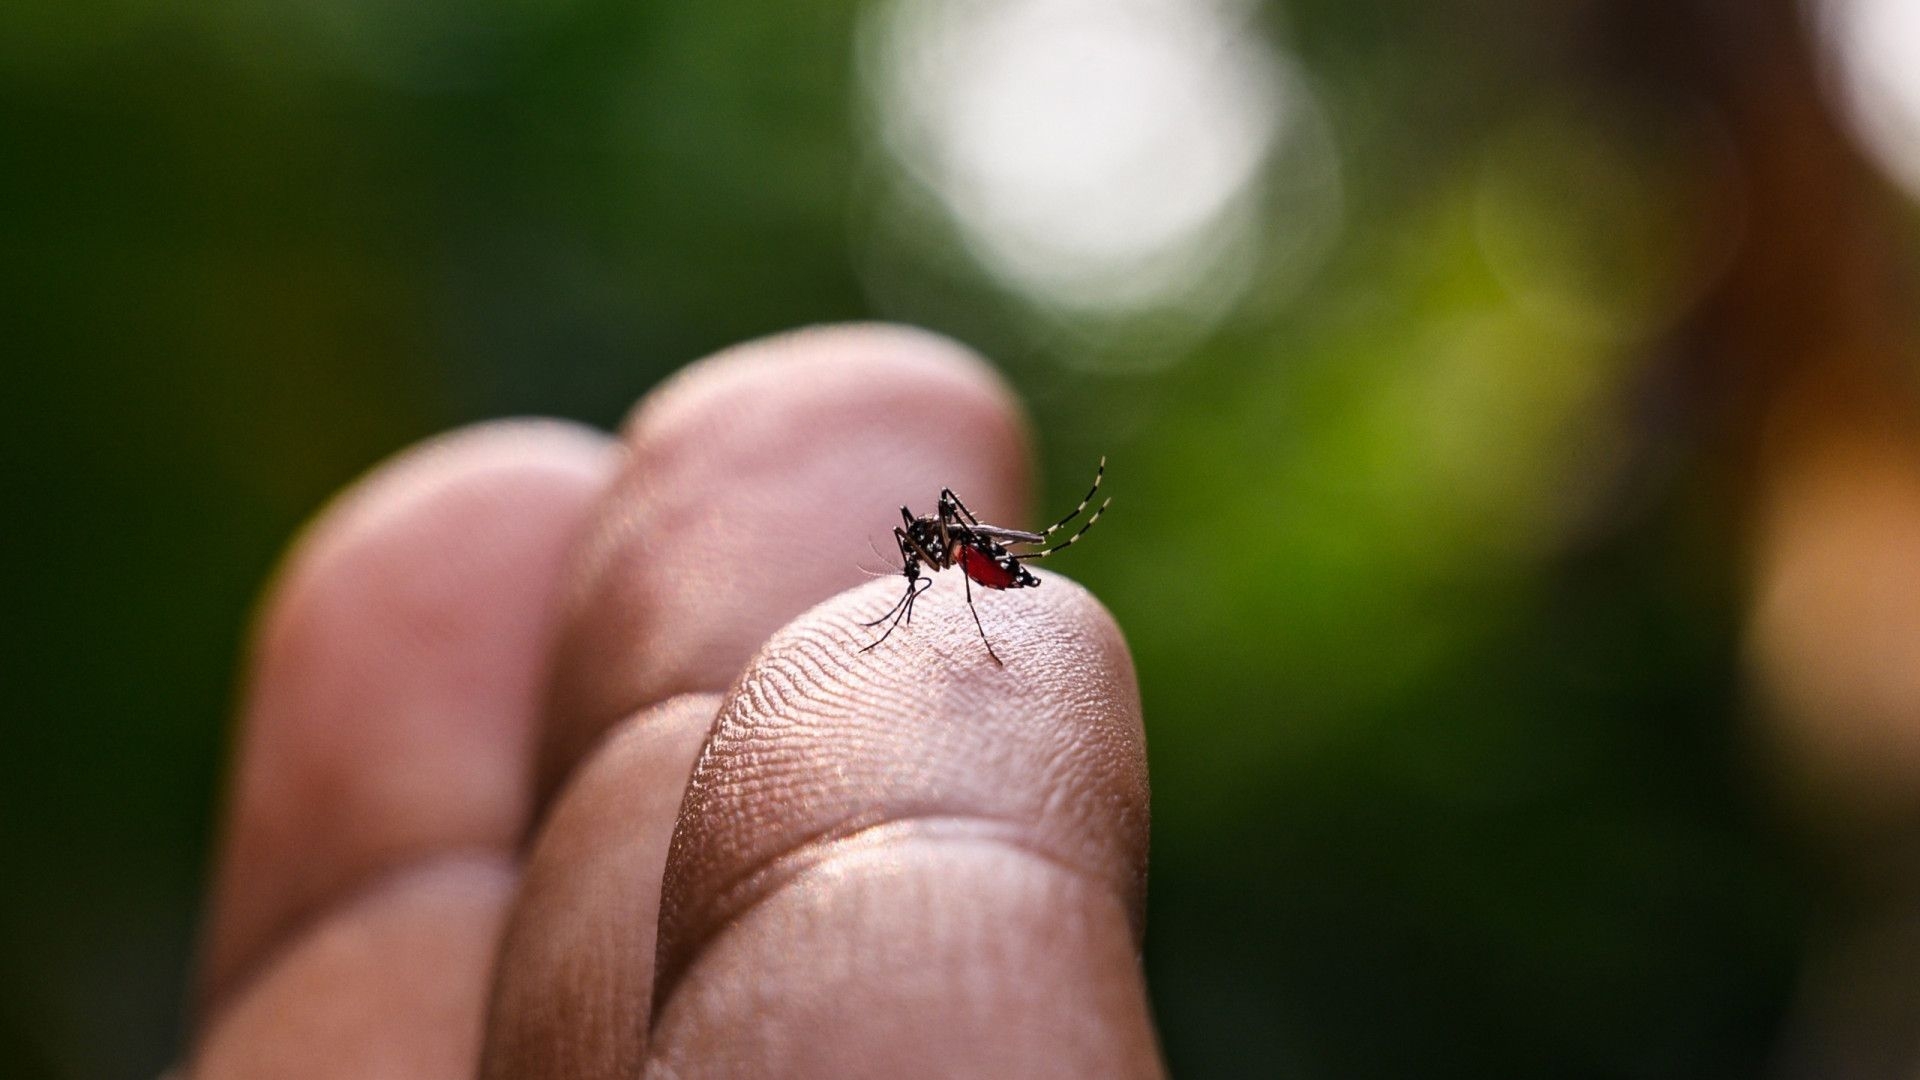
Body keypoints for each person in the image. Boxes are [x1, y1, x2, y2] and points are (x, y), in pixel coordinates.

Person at [184, 323, 1162, 1078]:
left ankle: (1047, 544)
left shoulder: (948, 553)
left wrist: (965, 575)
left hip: (990, 591)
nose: (919, 547)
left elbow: (943, 556)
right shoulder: (923, 552)